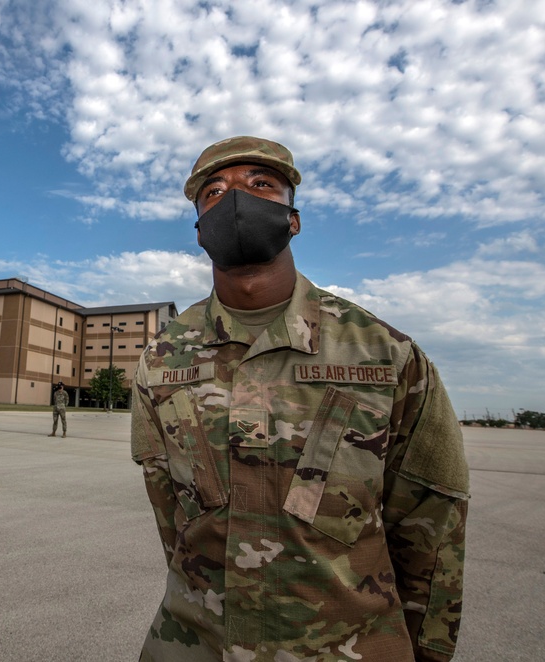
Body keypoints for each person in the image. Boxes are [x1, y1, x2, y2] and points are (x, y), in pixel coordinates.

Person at [131, 137, 470, 661]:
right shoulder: (161, 360)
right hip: (193, 646)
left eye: (260, 185)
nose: (237, 200)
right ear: (199, 232)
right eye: (214, 193)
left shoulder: (386, 353)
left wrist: (430, 652)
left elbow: (431, 524)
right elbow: (171, 519)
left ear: (292, 219)